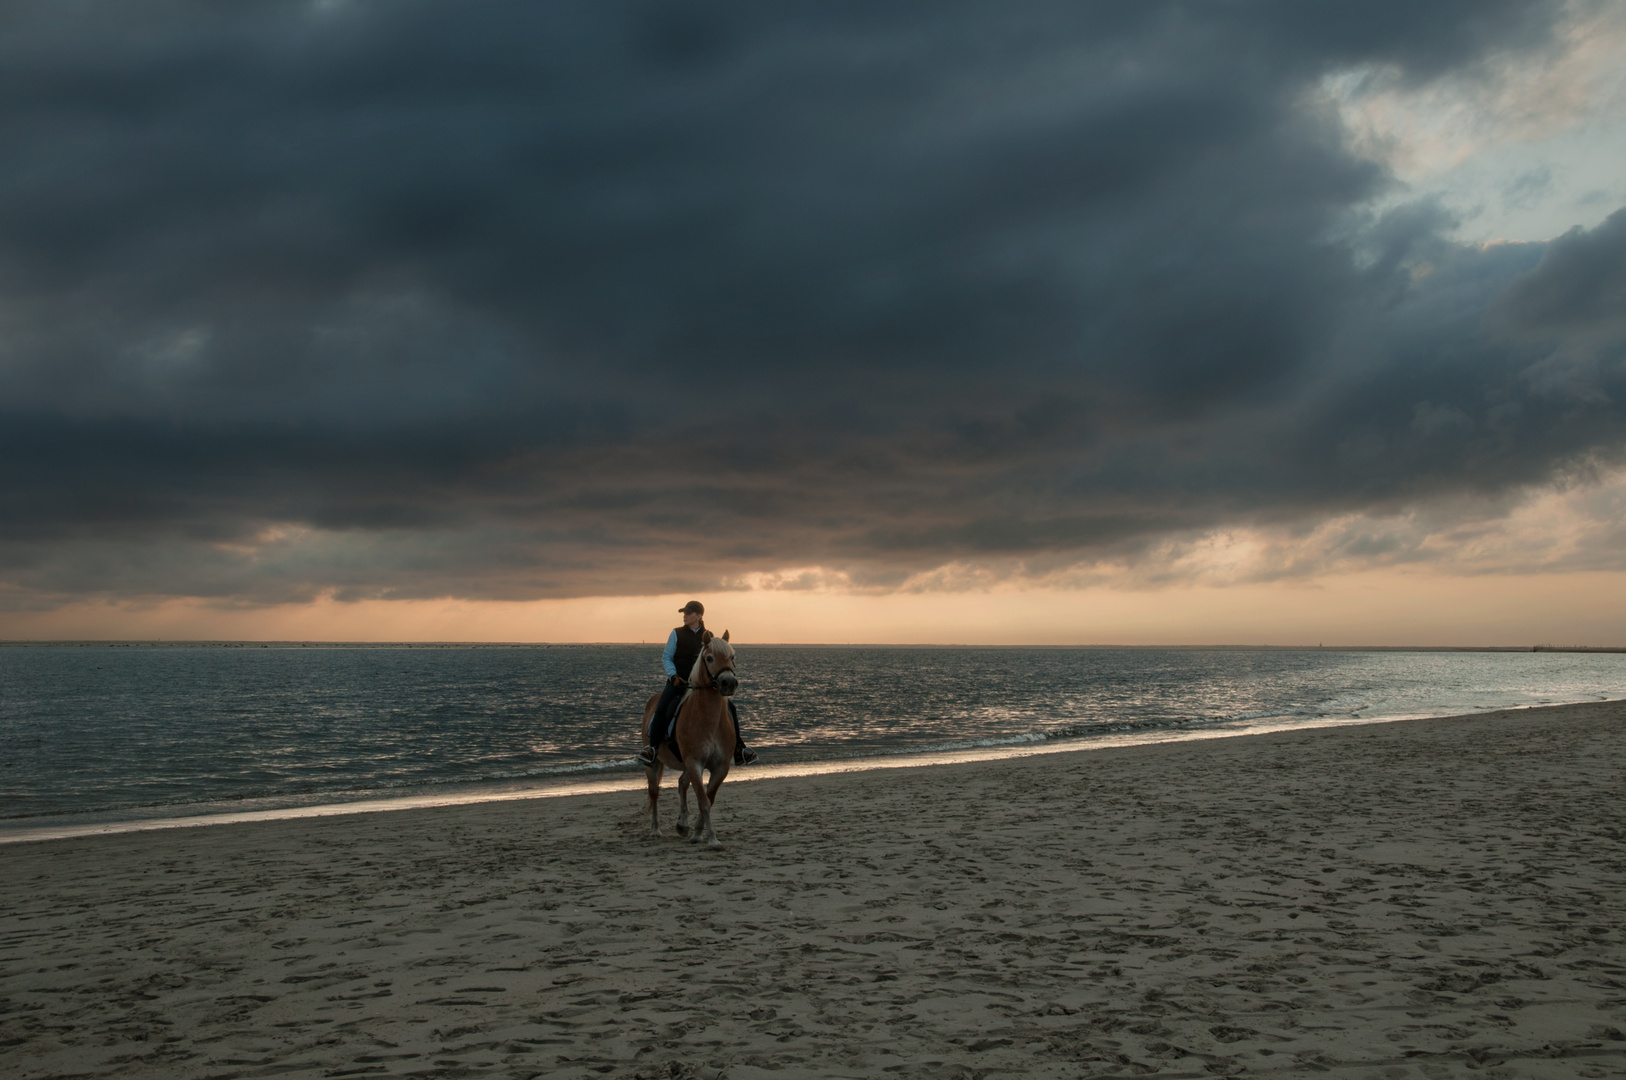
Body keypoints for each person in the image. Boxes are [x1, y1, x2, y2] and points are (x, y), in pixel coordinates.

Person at [636, 600, 757, 767]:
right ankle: (652, 748)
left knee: (731, 709)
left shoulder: (709, 636)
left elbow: (716, 659)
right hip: (679, 682)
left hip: (704, 684)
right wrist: (673, 676)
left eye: (688, 613)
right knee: (663, 706)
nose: (684, 616)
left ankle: (739, 748)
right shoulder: (676, 633)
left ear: (699, 616)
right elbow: (667, 657)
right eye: (684, 613)